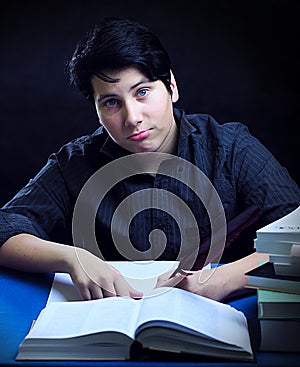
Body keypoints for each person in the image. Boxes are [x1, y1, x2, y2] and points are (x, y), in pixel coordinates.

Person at [0, 17, 299, 301]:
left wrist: (225, 280)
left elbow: (295, 234)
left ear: (171, 87)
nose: (132, 118)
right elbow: (5, 227)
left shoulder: (230, 148)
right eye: (111, 102)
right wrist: (72, 257)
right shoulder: (74, 163)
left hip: (226, 318)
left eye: (142, 92)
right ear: (96, 108)